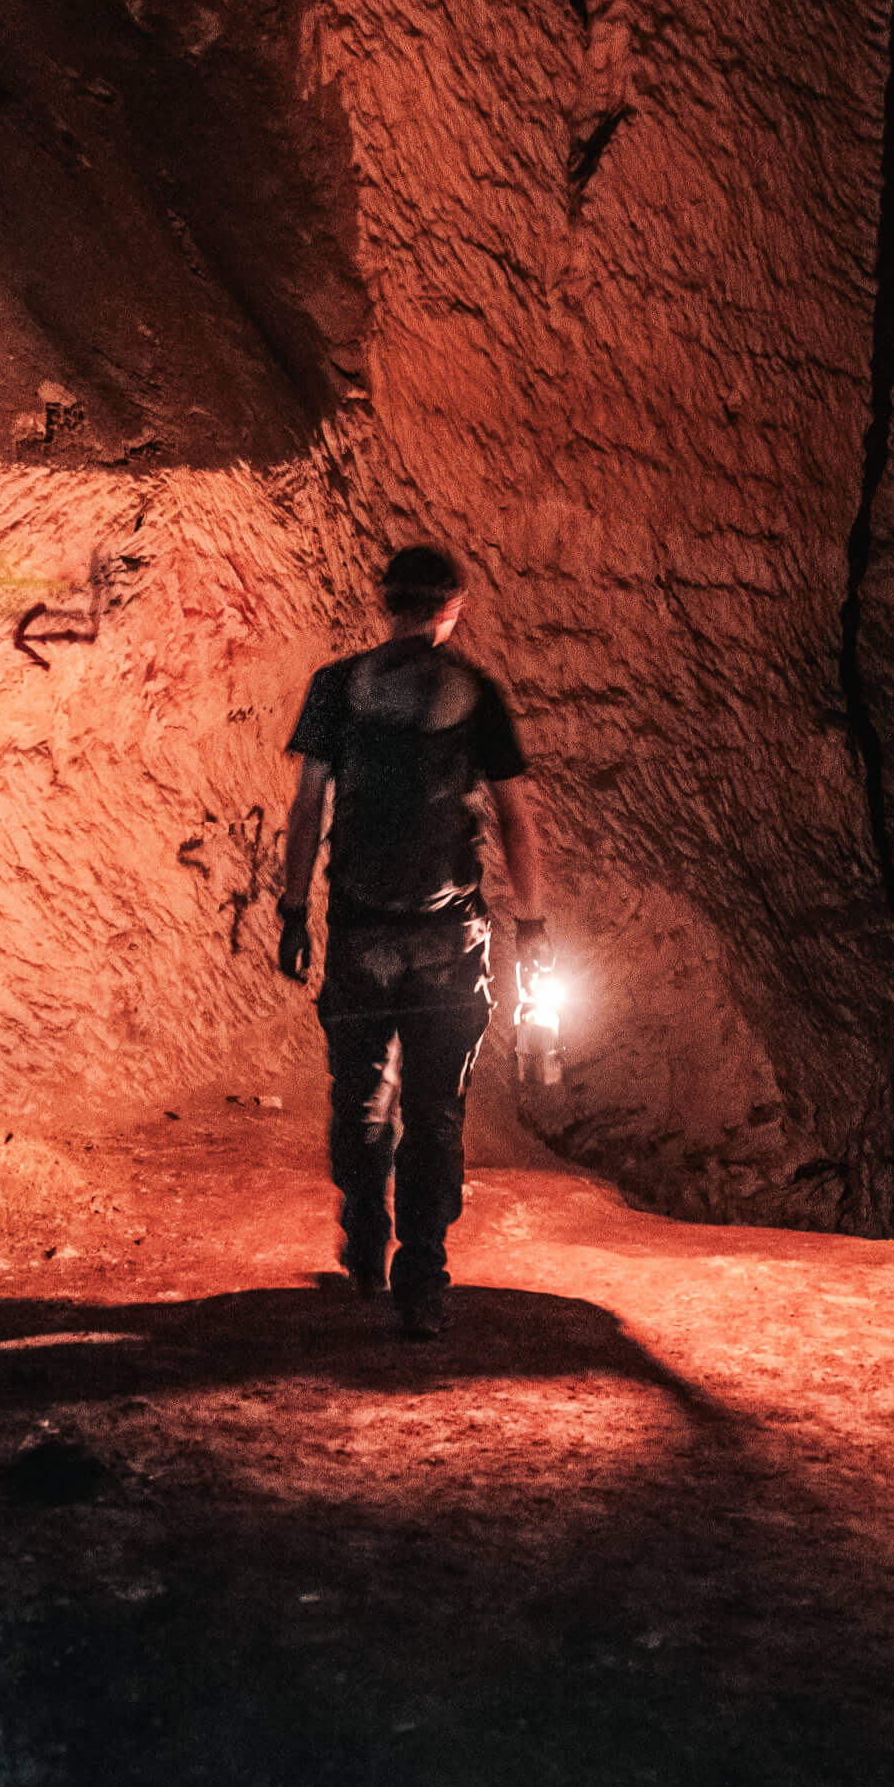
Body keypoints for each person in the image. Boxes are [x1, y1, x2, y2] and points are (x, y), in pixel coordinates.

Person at [278, 545, 548, 1338]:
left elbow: (306, 810)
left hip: (361, 927)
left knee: (361, 1093)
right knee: (436, 1109)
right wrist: (530, 924)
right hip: (447, 934)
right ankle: (421, 1278)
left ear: (385, 602)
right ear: (452, 607)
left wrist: (295, 909)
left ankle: (364, 1230)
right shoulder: (476, 694)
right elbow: (514, 820)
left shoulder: (337, 687)